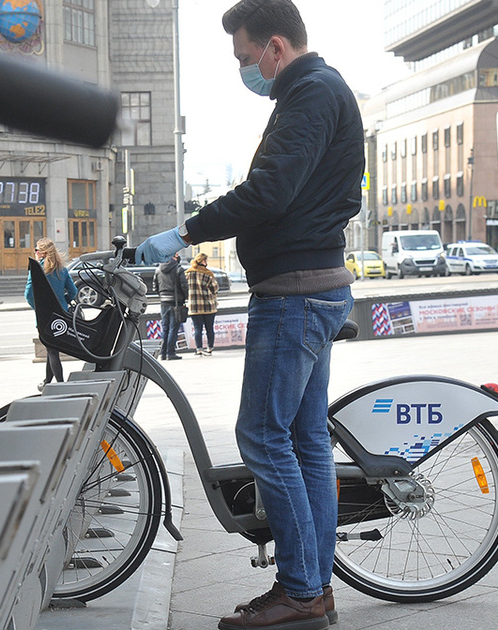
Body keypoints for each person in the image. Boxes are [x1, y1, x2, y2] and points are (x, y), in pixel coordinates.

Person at [133, 1, 362, 627]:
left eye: (245, 58)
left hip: (292, 294)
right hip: (313, 286)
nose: (246, 70)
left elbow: (267, 192)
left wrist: (183, 232)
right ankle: (315, 586)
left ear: (277, 48)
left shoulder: (309, 96)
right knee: (306, 441)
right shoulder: (321, 91)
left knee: (262, 436)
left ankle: (299, 591)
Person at [24, 238, 78, 390]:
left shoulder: (37, 270)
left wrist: (38, 308)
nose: (35, 253)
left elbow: (28, 294)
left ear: (41, 253)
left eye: (36, 250)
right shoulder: (62, 269)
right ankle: (47, 381)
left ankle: (61, 385)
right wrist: (63, 303)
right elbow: (73, 292)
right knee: (52, 348)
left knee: (52, 351)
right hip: (61, 314)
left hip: (44, 316)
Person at [153, 253, 188, 360]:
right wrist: (185, 297)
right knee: (173, 328)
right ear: (173, 257)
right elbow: (184, 286)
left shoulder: (158, 269)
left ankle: (163, 353)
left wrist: (162, 296)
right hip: (176, 302)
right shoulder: (178, 269)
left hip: (163, 302)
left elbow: (155, 287)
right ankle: (171, 353)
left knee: (165, 328)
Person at [185, 252, 219, 356]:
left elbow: (183, 287)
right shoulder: (208, 273)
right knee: (209, 328)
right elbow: (215, 288)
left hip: (194, 306)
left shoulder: (187, 273)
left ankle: (199, 349)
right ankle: (209, 348)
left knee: (197, 329)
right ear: (203, 261)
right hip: (208, 306)